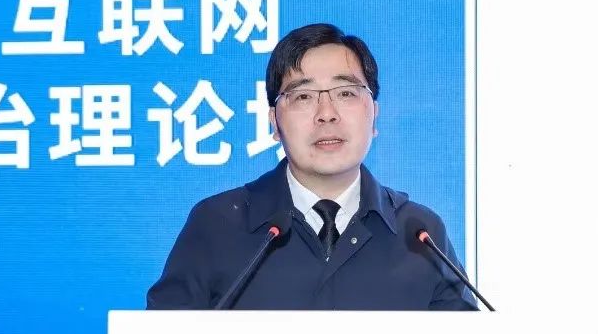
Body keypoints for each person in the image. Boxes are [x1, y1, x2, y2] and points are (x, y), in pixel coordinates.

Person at [147, 23, 476, 311]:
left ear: (374, 114)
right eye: (303, 96)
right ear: (274, 122)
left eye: (346, 93)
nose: (326, 113)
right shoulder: (217, 225)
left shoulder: (420, 235)